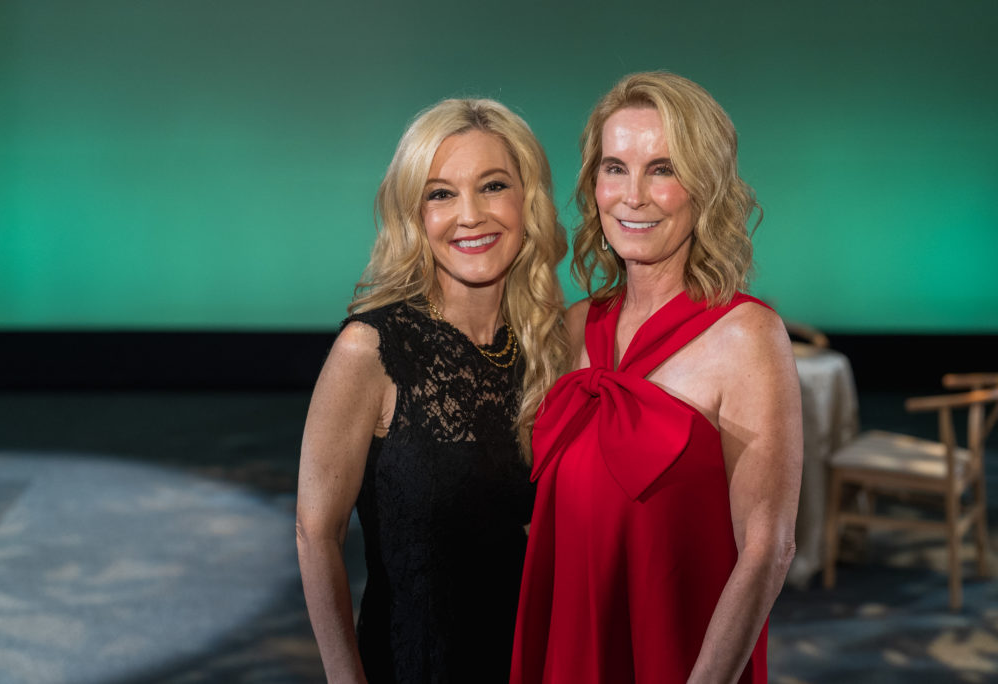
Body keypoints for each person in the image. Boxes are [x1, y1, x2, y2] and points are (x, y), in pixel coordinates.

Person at [510, 71, 803, 684]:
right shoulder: (573, 326)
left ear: (706, 187)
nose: (632, 195)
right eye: (614, 168)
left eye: (662, 169)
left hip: (682, 659)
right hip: (571, 650)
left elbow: (766, 552)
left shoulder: (747, 335)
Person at [296, 98, 567, 684]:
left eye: (493, 185)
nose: (470, 215)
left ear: (528, 201)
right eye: (440, 193)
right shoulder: (370, 349)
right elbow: (316, 533)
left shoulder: (551, 347)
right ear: (414, 214)